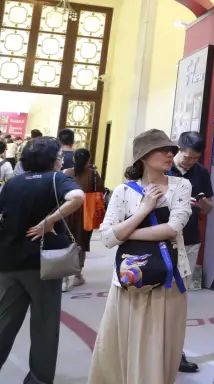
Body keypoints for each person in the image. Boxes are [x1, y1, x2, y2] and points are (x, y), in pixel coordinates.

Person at [87, 129, 192, 384]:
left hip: (169, 278)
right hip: (129, 281)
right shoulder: (124, 191)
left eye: (171, 150)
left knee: (164, 346)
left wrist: (126, 233)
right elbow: (107, 238)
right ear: (143, 156)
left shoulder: (181, 185)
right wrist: (143, 210)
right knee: (123, 345)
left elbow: (172, 228)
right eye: (161, 150)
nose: (169, 154)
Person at [0, 137, 85, 384]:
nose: (61, 161)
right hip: (44, 263)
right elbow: (77, 197)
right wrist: (50, 221)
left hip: (8, 261)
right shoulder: (57, 179)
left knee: (4, 322)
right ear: (52, 160)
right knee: (45, 327)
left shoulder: (13, 183)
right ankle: (38, 379)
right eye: (58, 157)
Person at [168, 132, 212, 374]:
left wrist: (201, 202)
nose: (190, 162)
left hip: (190, 241)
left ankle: (176, 352)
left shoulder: (201, 173)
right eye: (187, 157)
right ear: (178, 150)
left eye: (195, 158)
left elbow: (209, 208)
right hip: (163, 241)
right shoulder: (164, 169)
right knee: (158, 296)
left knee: (180, 297)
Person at [61, 148, 104, 291]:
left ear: (74, 159)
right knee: (81, 243)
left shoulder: (66, 173)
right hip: (86, 213)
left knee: (66, 243)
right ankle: (77, 275)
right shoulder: (93, 174)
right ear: (88, 160)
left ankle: (64, 279)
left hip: (67, 211)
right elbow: (100, 190)